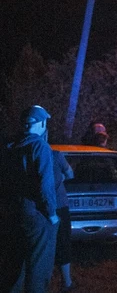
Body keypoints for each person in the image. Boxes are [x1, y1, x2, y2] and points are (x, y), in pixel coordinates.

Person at [0, 105, 60, 293]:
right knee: (39, 265)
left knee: (14, 263)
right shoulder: (40, 146)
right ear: (41, 123)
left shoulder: (10, 145)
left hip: (12, 211)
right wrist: (51, 214)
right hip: (35, 212)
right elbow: (45, 184)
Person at [52, 145, 75, 290]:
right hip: (59, 205)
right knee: (63, 242)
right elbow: (70, 174)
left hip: (38, 207)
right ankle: (66, 282)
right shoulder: (56, 155)